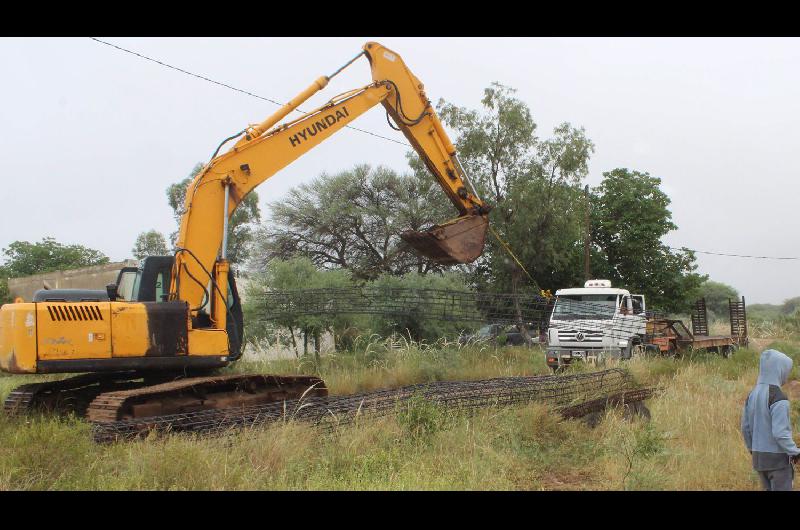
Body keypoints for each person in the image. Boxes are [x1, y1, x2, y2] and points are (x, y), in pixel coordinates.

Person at [741, 349, 800, 491]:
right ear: (779, 369)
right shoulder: (778, 397)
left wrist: (753, 450)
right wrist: (795, 452)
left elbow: (745, 428)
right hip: (778, 462)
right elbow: (780, 433)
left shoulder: (752, 395)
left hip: (759, 460)